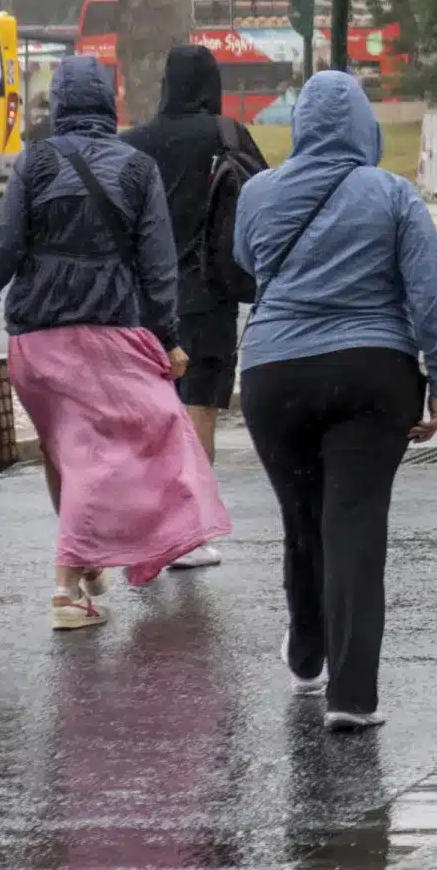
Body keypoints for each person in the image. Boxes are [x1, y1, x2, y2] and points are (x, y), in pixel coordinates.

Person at [0, 55, 231, 631]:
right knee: (138, 440)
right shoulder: (136, 169)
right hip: (107, 333)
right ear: (108, 104)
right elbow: (158, 267)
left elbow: (5, 241)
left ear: (59, 104)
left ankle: (85, 567)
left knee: (66, 451)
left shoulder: (34, 162)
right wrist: (168, 337)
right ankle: (65, 587)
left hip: (34, 342)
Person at [234, 70, 437, 733]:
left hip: (274, 374)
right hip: (373, 372)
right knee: (354, 523)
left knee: (303, 514)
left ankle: (307, 643)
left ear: (303, 124)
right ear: (363, 125)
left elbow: (247, 262)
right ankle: (353, 695)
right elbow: (429, 298)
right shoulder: (393, 194)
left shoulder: (258, 193)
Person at [123, 45, 269, 571]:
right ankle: (188, 533)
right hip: (209, 295)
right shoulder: (226, 136)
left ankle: (149, 527)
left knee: (148, 411)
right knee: (198, 407)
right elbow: (263, 199)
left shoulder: (134, 144)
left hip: (142, 301)